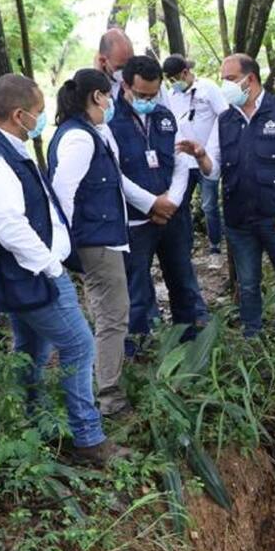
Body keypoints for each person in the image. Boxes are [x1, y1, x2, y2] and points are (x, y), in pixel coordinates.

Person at [0, 73, 119, 466]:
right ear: (19, 115)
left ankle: (36, 423)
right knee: (79, 345)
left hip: (27, 275)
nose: (42, 118)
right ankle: (88, 439)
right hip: (31, 275)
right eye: (39, 112)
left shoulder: (7, 147)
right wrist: (50, 267)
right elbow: (8, 226)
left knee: (32, 348)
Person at [46, 68, 174, 416]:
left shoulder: (92, 133)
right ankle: (109, 397)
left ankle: (101, 384)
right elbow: (62, 193)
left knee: (108, 313)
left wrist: (152, 203)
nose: (112, 102)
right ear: (97, 96)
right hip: (95, 241)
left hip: (104, 237)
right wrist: (65, 245)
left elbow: (117, 182)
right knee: (113, 317)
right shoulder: (79, 138)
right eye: (108, 95)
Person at [177, 54, 275, 339]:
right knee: (248, 283)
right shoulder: (225, 120)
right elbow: (214, 170)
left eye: (229, 79)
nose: (224, 86)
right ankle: (252, 335)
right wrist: (200, 155)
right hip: (239, 220)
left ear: (249, 79)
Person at [109, 55, 208, 355]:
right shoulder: (110, 121)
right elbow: (114, 174)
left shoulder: (165, 116)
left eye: (153, 95)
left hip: (172, 216)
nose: (148, 101)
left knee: (183, 281)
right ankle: (138, 353)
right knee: (137, 290)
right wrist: (152, 203)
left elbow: (180, 161)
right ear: (126, 87)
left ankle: (189, 347)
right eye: (141, 95)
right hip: (136, 221)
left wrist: (171, 202)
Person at [162, 53, 228, 257]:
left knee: (209, 205)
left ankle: (215, 247)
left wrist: (216, 148)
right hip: (184, 160)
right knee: (180, 204)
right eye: (169, 80)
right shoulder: (171, 96)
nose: (173, 83)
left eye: (175, 78)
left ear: (185, 72)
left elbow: (224, 116)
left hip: (207, 157)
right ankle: (186, 247)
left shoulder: (208, 88)